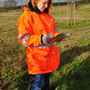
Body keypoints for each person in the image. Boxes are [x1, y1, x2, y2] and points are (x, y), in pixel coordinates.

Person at [17, 0, 61, 90]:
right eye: (44, 3)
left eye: (47, 3)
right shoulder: (27, 17)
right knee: (39, 84)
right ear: (35, 1)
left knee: (46, 83)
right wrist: (41, 39)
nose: (46, 5)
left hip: (50, 56)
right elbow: (23, 39)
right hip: (37, 59)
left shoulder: (48, 16)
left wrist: (58, 37)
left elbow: (54, 31)